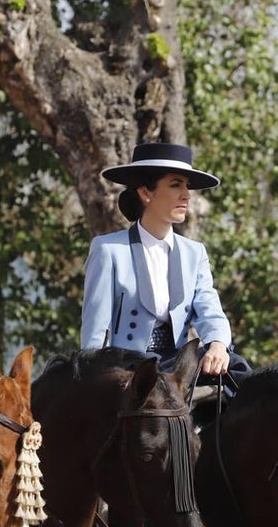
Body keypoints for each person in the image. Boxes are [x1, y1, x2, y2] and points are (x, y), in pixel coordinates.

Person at [81, 142, 247, 384]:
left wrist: (218, 345)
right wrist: (93, 379)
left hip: (178, 364)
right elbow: (95, 333)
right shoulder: (108, 250)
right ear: (146, 193)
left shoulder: (195, 253)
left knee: (240, 377)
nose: (186, 195)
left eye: (187, 186)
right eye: (175, 184)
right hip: (127, 369)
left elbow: (209, 309)